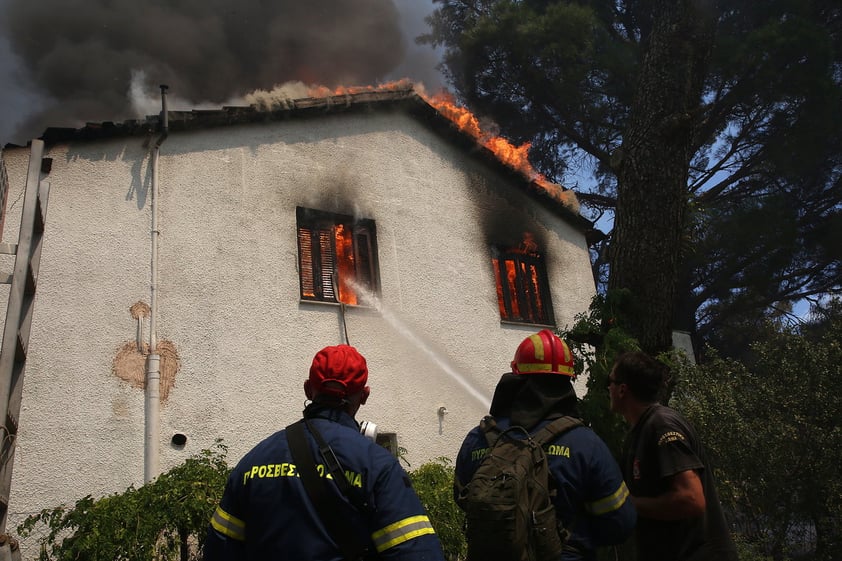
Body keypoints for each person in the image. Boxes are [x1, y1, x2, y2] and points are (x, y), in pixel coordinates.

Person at [204, 343, 446, 561]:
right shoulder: (377, 464)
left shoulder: (253, 461)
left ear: (308, 390)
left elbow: (219, 549)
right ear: (364, 395)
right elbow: (417, 553)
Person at [454, 329, 636, 561]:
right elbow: (620, 523)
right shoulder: (585, 443)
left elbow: (465, 501)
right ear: (567, 382)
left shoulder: (477, 439)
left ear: (515, 377)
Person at [608, 350, 738, 561]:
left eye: (610, 381)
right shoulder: (640, 431)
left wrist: (627, 504)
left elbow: (691, 499)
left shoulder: (662, 426)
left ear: (623, 389)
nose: (608, 388)